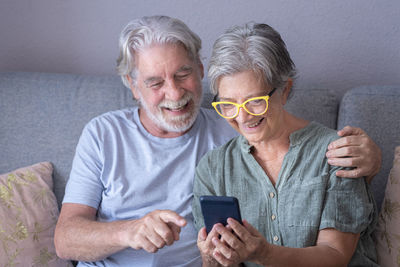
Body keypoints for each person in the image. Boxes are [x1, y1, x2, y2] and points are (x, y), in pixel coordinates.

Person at [54, 16, 380, 266]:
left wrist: (372, 161)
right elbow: (64, 239)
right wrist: (130, 231)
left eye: (182, 74)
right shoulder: (104, 134)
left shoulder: (234, 129)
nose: (175, 93)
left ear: (199, 69)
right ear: (132, 84)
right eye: (155, 82)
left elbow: (293, 143)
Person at [192, 22, 378, 267]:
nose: (242, 116)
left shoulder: (338, 152)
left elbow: (335, 255)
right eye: (228, 104)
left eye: (255, 102)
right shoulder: (213, 168)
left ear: (285, 90)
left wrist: (264, 254)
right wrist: (212, 257)